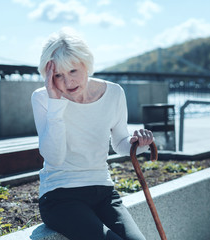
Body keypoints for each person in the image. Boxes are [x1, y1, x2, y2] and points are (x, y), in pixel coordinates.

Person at [31, 28, 153, 240]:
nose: (68, 83)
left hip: (103, 193)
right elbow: (54, 157)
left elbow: (120, 143)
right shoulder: (43, 99)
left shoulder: (114, 93)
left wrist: (139, 143)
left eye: (73, 71)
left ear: (86, 65)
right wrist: (55, 104)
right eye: (58, 75)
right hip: (59, 197)